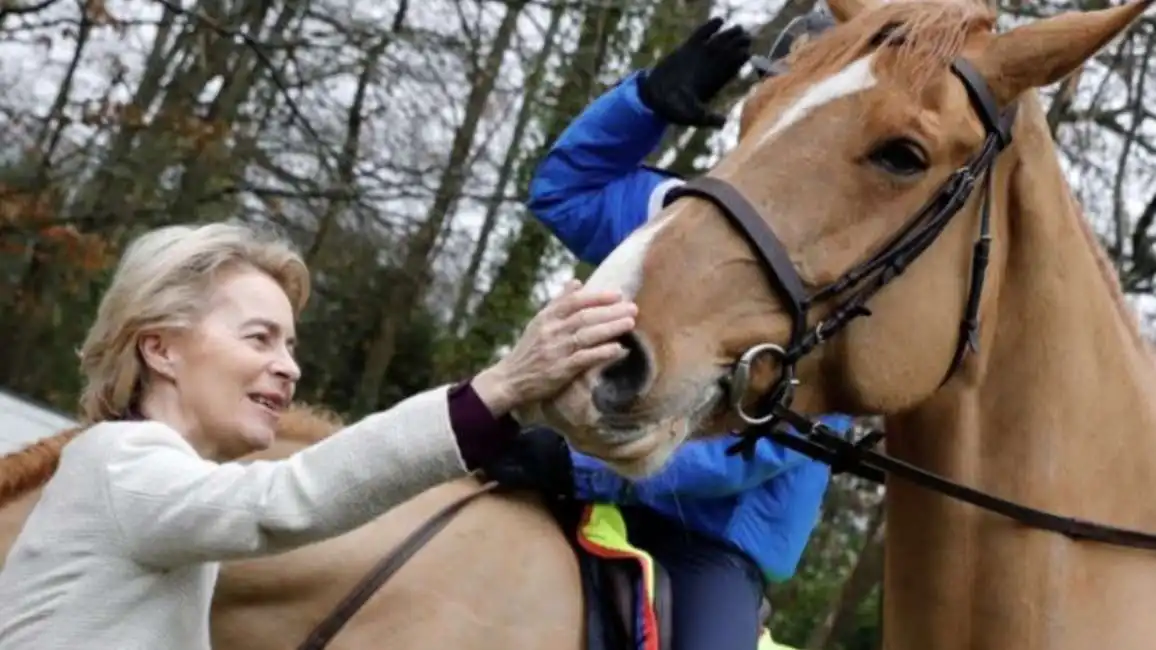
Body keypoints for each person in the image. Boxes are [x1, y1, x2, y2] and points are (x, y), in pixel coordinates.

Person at [0, 221, 637, 650]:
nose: (289, 365)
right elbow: (287, 498)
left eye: (291, 344)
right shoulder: (124, 462)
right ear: (160, 349)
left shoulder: (153, 487)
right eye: (259, 337)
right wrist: (502, 387)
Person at [484, 16, 851, 650]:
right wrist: (644, 102)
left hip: (707, 544)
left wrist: (582, 466)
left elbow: (753, 455)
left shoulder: (853, 281)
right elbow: (562, 192)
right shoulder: (678, 214)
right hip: (570, 468)